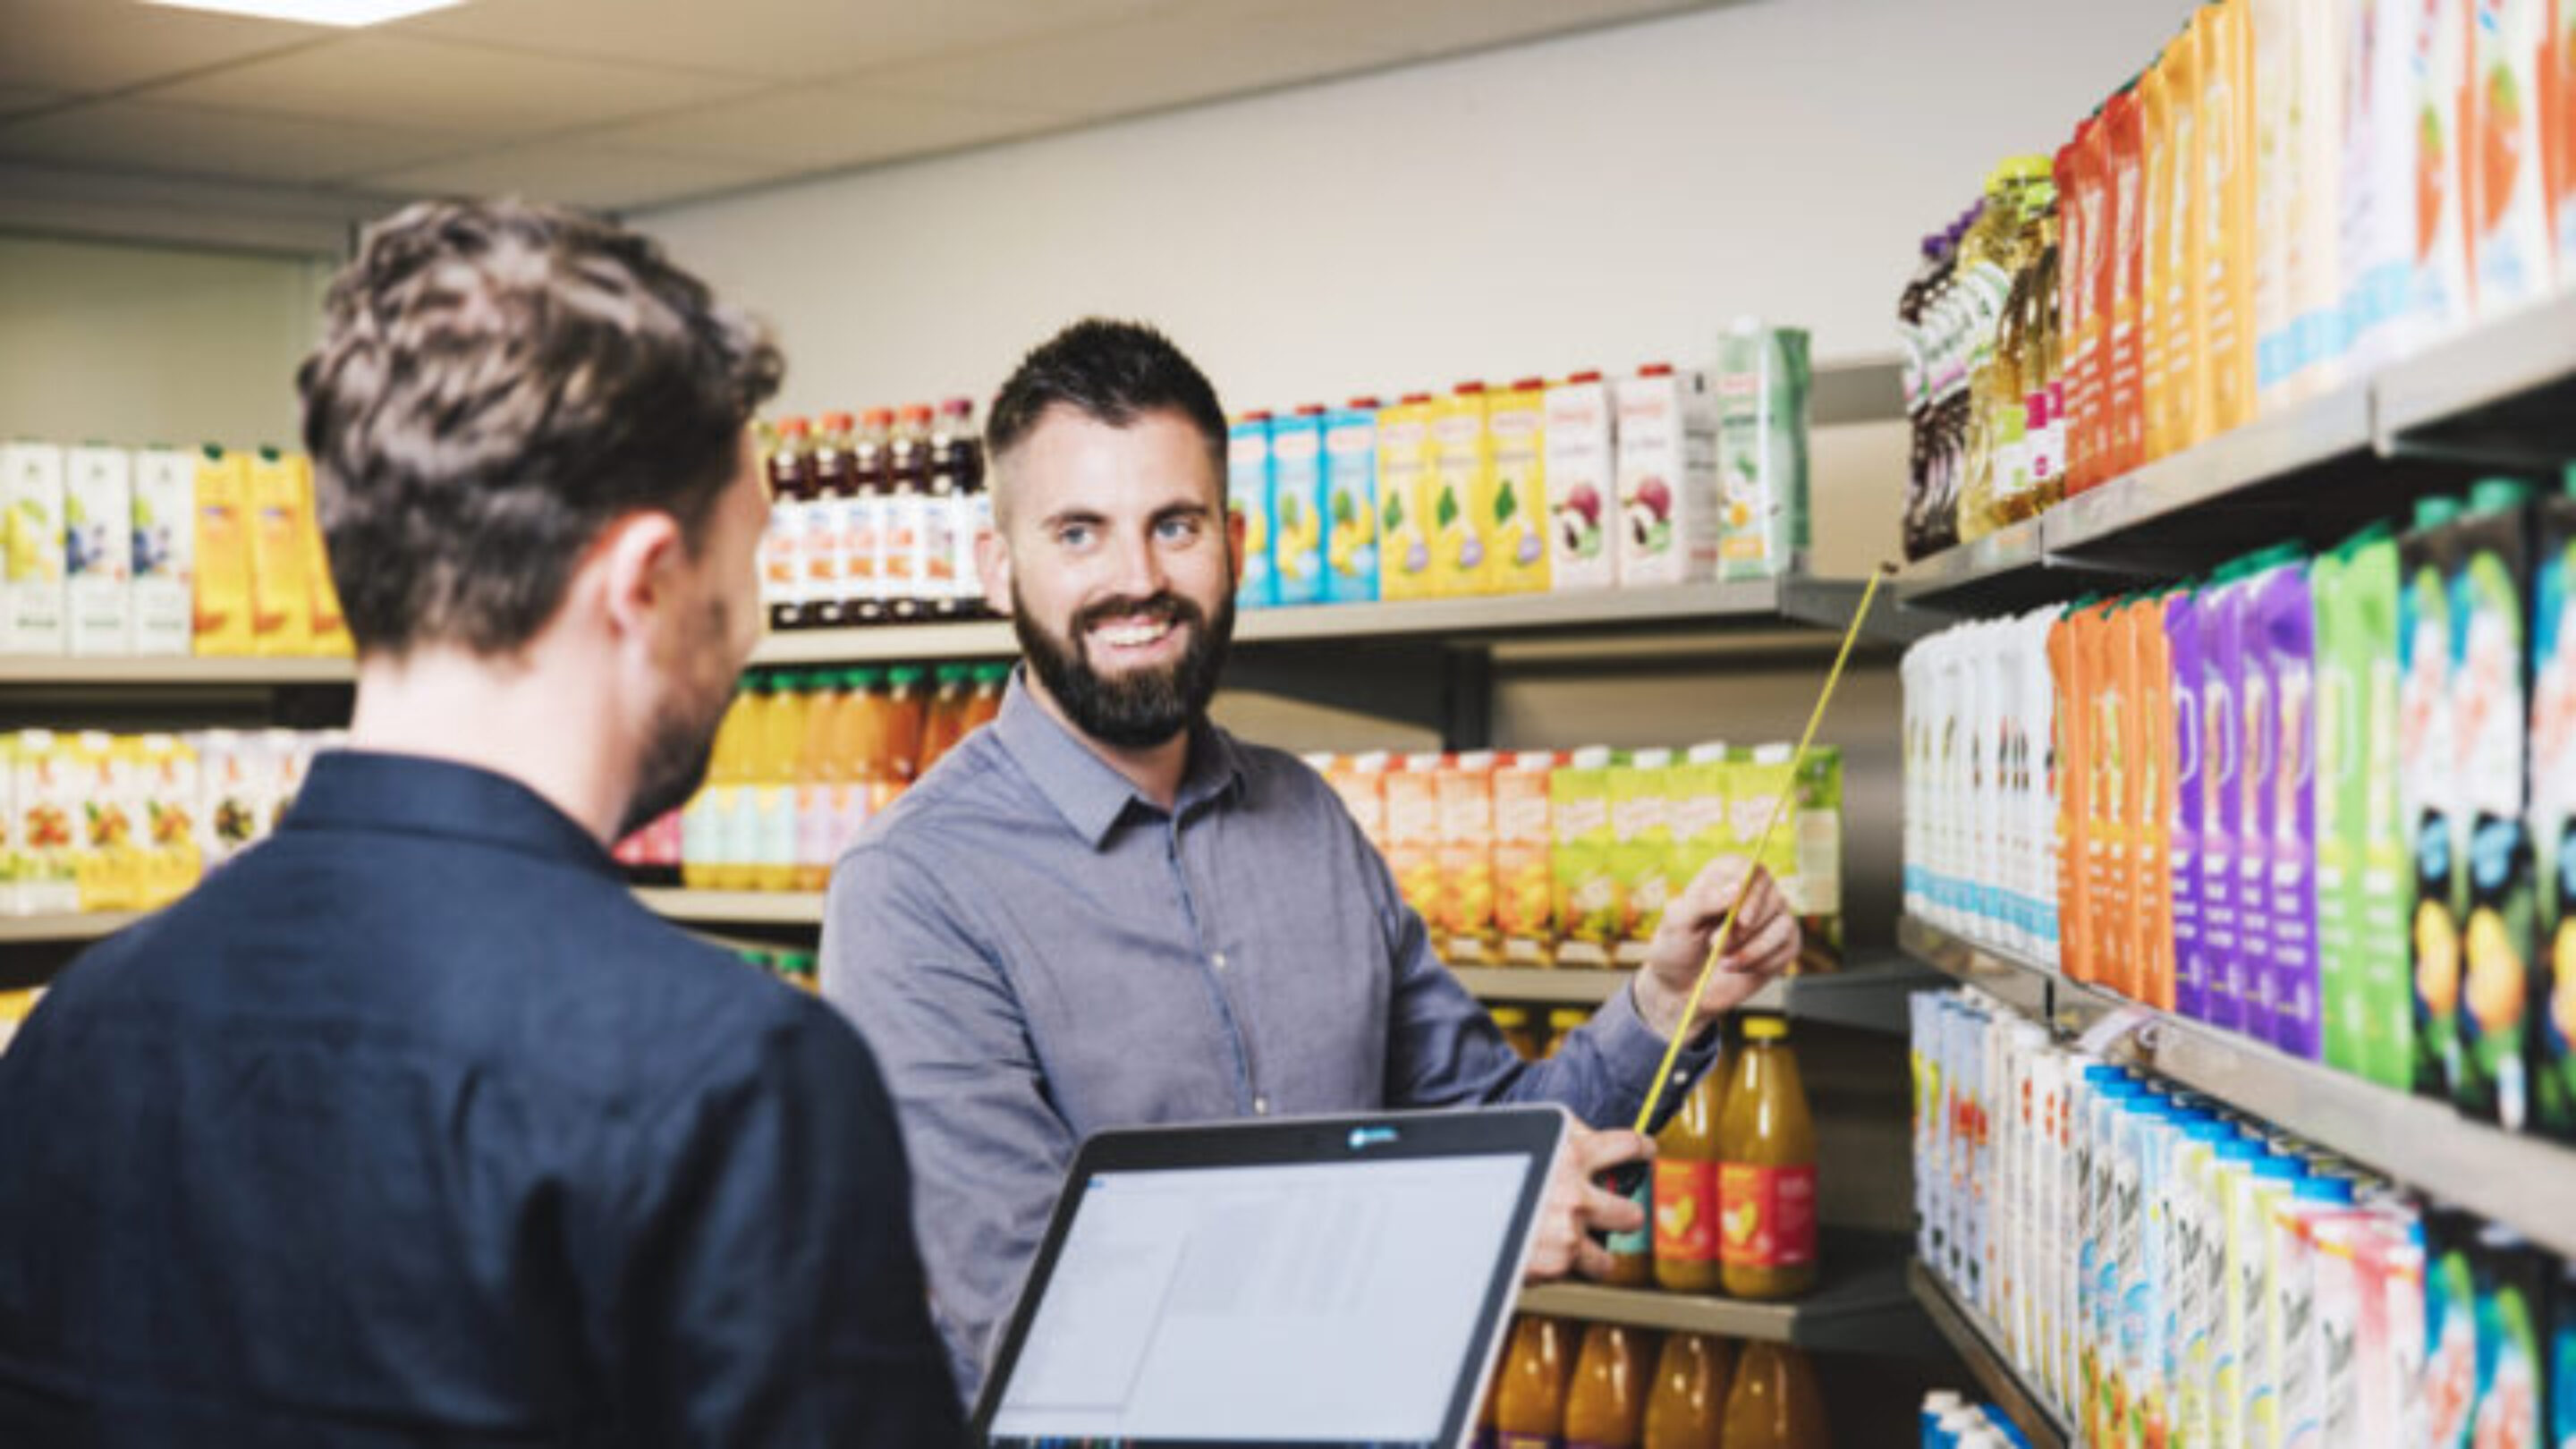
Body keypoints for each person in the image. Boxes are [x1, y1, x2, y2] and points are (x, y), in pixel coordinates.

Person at [0, 200, 962, 1445]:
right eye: (750, 562)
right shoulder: (732, 1074)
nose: (754, 624)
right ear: (648, 580)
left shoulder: (80, 1031)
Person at [822, 318, 1800, 1402]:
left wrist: (1669, 1002)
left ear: (1233, 539)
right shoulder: (912, 889)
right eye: (1079, 533)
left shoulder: (1305, 816)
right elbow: (1047, 1317)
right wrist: (1445, 1237)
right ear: (996, 570)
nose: (1138, 578)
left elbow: (1485, 1132)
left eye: (1176, 525)